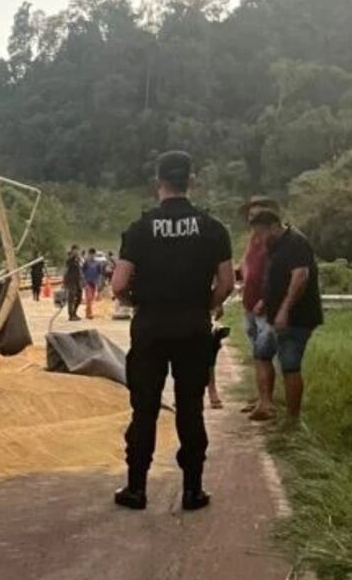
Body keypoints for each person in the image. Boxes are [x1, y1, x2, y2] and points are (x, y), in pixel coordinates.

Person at [111, 150, 234, 511]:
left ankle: (136, 488)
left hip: (150, 328)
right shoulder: (213, 229)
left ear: (158, 183)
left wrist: (139, 303)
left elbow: (118, 284)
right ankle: (193, 490)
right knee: (190, 409)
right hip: (194, 327)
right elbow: (226, 283)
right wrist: (204, 306)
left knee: (144, 409)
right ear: (190, 182)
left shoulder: (140, 228)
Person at [248, 209, 324, 421]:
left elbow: (300, 277)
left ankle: (292, 420)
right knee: (261, 352)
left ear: (273, 226)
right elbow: (276, 278)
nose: (260, 238)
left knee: (290, 364)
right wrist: (265, 301)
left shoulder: (295, 242)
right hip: (275, 316)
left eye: (261, 233)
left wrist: (284, 310)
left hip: (296, 318)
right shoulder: (275, 245)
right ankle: (266, 403)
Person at [237, 196, 277, 413]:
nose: (253, 220)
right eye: (251, 216)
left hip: (264, 305)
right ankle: (261, 396)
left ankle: (267, 401)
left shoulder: (274, 240)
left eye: (258, 215)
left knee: (264, 353)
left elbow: (277, 273)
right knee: (257, 353)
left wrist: (265, 298)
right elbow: (245, 261)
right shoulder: (253, 238)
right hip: (249, 303)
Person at [64, 245, 83, 321]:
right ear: (72, 250)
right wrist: (73, 256)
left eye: (78, 250)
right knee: (71, 299)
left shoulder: (77, 259)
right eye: (76, 250)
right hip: (71, 281)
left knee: (79, 297)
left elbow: (79, 270)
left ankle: (75, 313)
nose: (77, 252)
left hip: (77, 281)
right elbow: (67, 263)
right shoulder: (70, 258)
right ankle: (71, 315)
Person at [82, 248, 101, 319]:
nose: (92, 256)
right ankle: (89, 313)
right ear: (88, 254)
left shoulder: (97, 263)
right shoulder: (86, 263)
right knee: (89, 298)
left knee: (91, 298)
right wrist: (83, 282)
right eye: (90, 254)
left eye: (93, 254)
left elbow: (99, 273)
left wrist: (98, 282)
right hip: (87, 282)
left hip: (94, 283)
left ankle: (88, 312)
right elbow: (82, 272)